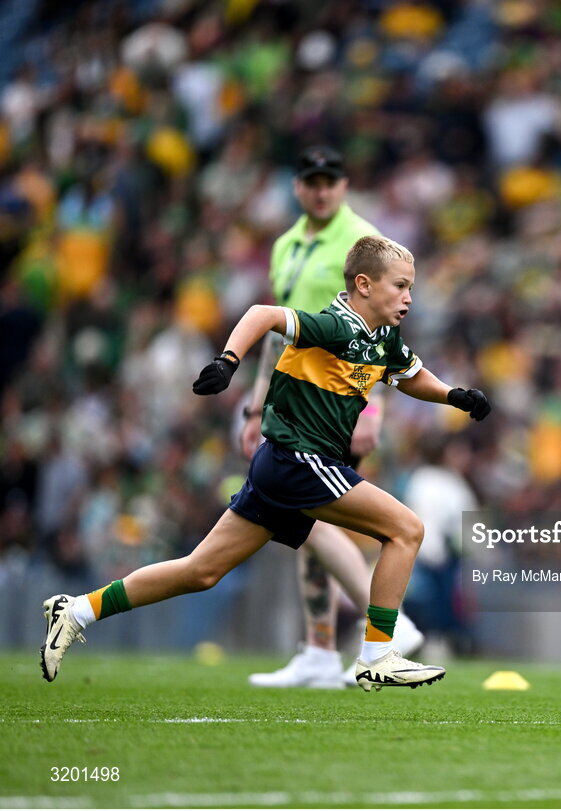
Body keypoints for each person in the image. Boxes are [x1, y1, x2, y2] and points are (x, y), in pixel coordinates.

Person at [40, 235, 491, 691]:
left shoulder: (383, 338)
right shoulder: (336, 326)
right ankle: (376, 654)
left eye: (411, 287)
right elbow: (262, 314)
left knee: (201, 571)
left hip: (281, 465)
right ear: (364, 285)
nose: (409, 297)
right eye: (400, 286)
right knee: (406, 529)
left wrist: (453, 395)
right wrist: (228, 361)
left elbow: (410, 376)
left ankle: (77, 610)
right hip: (299, 460)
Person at [243, 145, 423, 689]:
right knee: (309, 519)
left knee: (313, 513)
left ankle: (387, 628)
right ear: (297, 186)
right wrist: (257, 404)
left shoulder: (364, 240)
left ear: (344, 185)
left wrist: (377, 403)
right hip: (294, 399)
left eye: (331, 180)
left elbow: (383, 336)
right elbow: (280, 332)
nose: (322, 190)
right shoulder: (286, 246)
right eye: (312, 181)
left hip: (340, 401)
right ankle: (322, 648)